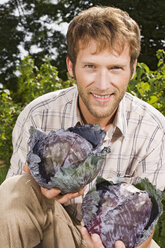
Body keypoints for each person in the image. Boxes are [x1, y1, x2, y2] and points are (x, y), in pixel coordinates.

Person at [0, 5, 164, 248]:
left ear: (132, 70)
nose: (102, 83)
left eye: (115, 68)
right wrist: (35, 185)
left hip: (116, 245)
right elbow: (10, 205)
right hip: (56, 230)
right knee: (17, 188)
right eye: (90, 66)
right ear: (70, 67)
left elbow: (147, 223)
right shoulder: (38, 115)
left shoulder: (154, 129)